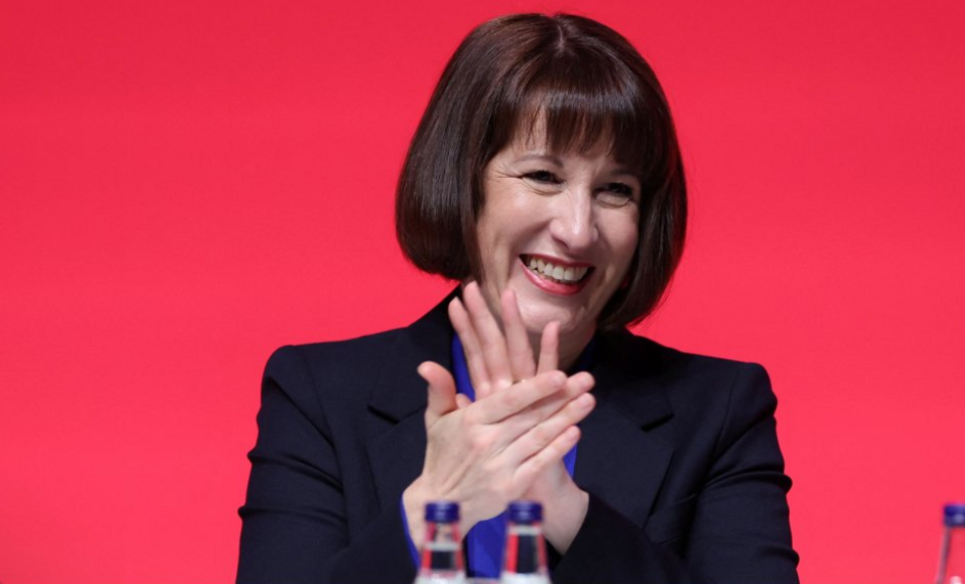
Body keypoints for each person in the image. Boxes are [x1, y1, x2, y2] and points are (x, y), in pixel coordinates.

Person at [237, 13, 798, 584]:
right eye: (543, 176)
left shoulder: (722, 408)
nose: (579, 231)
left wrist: (566, 513)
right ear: (464, 182)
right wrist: (433, 509)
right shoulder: (318, 395)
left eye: (615, 190)